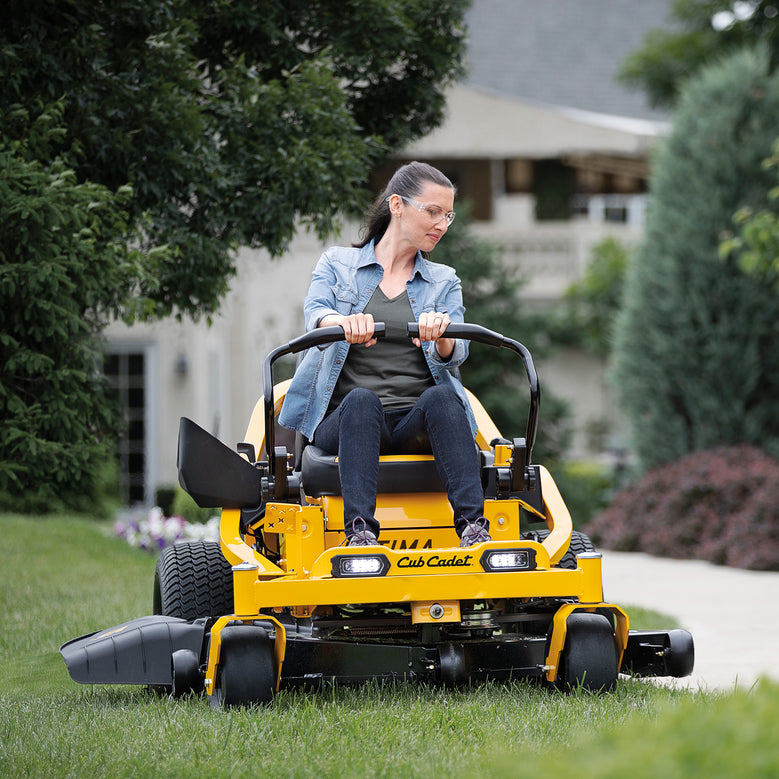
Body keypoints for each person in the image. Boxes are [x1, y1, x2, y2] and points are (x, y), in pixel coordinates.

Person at [279, 161, 490, 548]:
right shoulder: (337, 264)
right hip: (347, 420)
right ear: (397, 205)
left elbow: (456, 352)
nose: (442, 224)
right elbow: (316, 314)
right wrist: (340, 322)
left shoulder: (444, 281)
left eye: (448, 215)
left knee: (444, 397)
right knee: (362, 401)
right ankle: (360, 534)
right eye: (433, 212)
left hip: (414, 422)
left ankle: (474, 530)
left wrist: (440, 334)